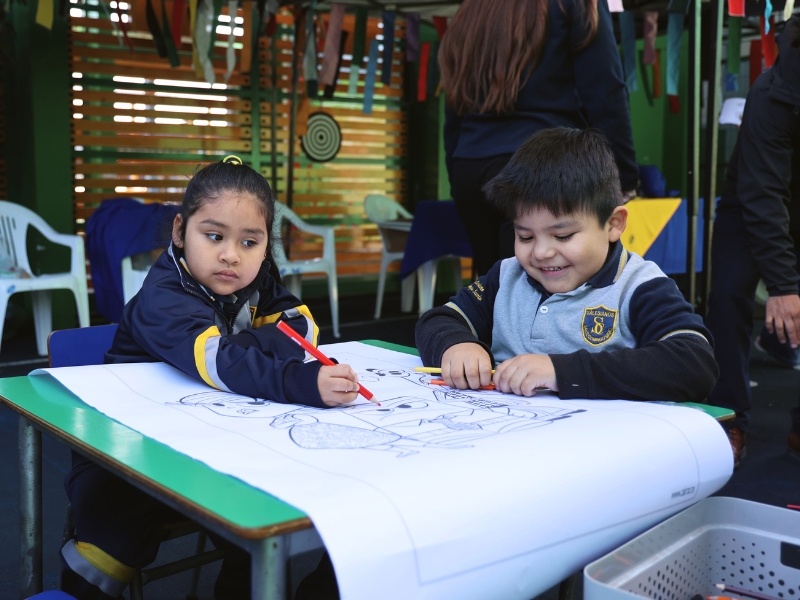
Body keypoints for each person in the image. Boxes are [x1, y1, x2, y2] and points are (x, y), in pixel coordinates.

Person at [60, 156, 353, 600]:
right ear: (180, 231)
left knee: (252, 531)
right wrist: (297, 379)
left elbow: (304, 328)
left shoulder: (256, 280)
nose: (231, 255)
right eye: (213, 236)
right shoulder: (162, 294)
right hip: (126, 453)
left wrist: (237, 352)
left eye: (250, 242)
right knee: (109, 548)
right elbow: (222, 362)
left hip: (209, 438)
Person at [416, 128, 717, 403]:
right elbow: (438, 320)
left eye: (563, 235)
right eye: (525, 236)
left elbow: (693, 362)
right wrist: (456, 345)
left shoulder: (638, 287)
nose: (542, 252)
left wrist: (562, 372)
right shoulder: (507, 277)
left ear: (613, 224)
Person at [439, 0, 638, 278]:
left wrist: (458, 176)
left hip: (470, 166)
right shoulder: (574, 4)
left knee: (493, 291)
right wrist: (624, 178)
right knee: (540, 297)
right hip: (542, 165)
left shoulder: (471, 9)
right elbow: (604, 89)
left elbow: (455, 105)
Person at [705, 15, 800, 467]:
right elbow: (763, 194)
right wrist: (783, 286)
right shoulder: (771, 93)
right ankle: (729, 419)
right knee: (726, 298)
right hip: (749, 206)